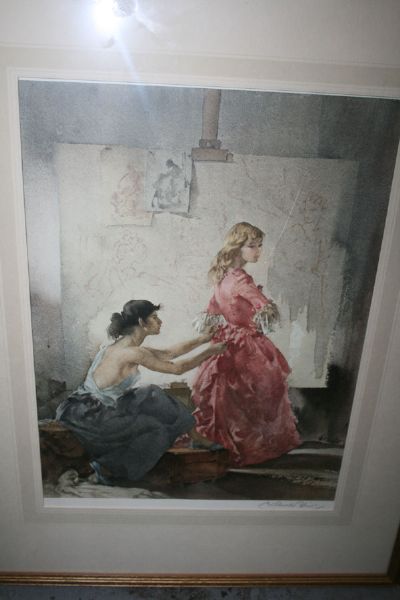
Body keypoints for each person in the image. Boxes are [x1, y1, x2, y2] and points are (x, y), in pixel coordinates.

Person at [56, 299, 225, 484]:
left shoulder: (123, 347)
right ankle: (109, 470)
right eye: (154, 317)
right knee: (158, 431)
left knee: (153, 393)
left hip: (83, 408)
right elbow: (177, 368)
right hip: (91, 415)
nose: (160, 321)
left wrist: (203, 339)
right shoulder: (133, 353)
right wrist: (209, 352)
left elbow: (169, 353)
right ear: (141, 322)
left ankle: (196, 437)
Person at [191, 222, 301, 467]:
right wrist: (263, 311)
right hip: (247, 345)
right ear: (236, 247)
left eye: (260, 246)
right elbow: (263, 306)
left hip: (226, 340)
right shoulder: (241, 278)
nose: (258, 251)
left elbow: (212, 310)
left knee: (232, 396)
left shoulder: (222, 276)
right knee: (261, 390)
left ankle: (232, 447)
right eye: (252, 246)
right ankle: (254, 449)